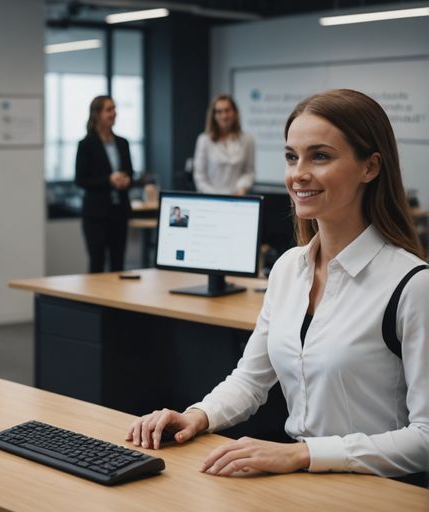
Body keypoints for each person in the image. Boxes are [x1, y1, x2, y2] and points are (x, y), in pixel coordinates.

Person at [127, 89, 428, 480]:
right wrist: (196, 415)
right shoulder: (288, 268)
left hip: (376, 489)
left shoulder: (412, 285)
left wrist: (303, 454)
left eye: (320, 156)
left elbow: (425, 438)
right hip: (303, 480)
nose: (298, 173)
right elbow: (250, 380)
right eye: (291, 157)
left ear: (370, 168)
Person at [75, 95, 134, 273]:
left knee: (118, 265)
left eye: (114, 109)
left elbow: (130, 172)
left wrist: (126, 179)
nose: (114, 113)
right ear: (97, 114)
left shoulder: (122, 143)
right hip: (96, 215)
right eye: (109, 109)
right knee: (97, 264)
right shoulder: (86, 145)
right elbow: (81, 179)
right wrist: (108, 180)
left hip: (119, 211)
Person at [192, 94, 256, 195]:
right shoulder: (203, 140)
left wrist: (241, 188)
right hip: (211, 199)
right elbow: (199, 177)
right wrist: (216, 196)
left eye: (227, 110)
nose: (224, 115)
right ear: (213, 115)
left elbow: (249, 172)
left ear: (234, 112)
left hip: (238, 198)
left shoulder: (247, 139)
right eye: (219, 111)